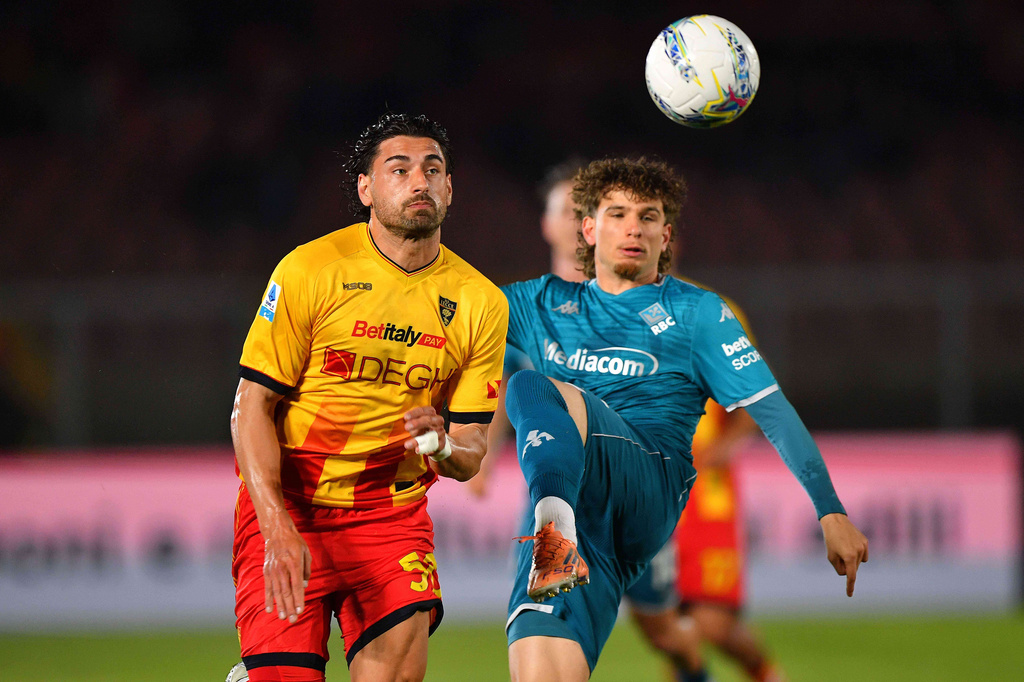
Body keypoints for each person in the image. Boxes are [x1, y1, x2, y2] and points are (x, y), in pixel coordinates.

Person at [500, 157, 868, 681]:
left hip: (646, 486)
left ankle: (554, 534)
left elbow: (772, 411)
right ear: (589, 228)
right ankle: (691, 669)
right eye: (618, 214)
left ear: (666, 235)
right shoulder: (539, 303)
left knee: (532, 385)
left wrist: (830, 511)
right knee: (547, 667)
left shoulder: (698, 313)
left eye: (648, 217)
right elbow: (446, 316)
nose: (634, 228)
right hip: (585, 515)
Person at [224, 112, 508, 682]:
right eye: (399, 170)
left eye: (433, 169)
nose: (419, 181)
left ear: (450, 188)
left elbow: (472, 448)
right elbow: (250, 406)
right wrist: (276, 527)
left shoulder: (481, 302)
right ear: (366, 189)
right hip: (293, 506)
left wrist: (442, 446)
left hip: (390, 515)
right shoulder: (310, 269)